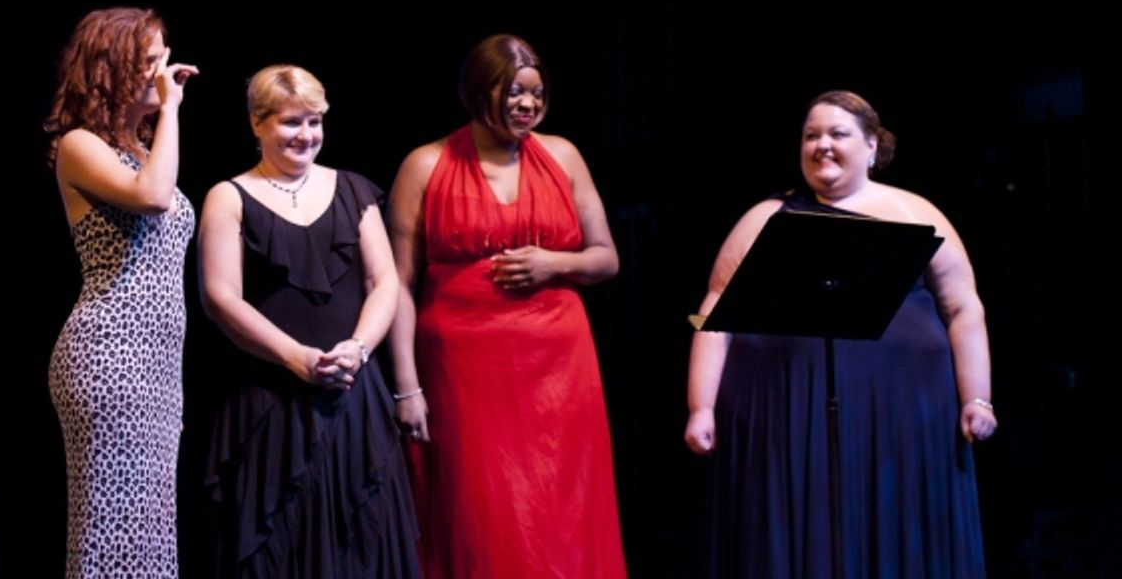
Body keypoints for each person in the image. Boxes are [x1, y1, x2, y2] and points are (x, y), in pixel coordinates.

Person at [684, 89, 997, 578]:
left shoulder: (917, 213)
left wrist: (978, 399)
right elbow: (714, 315)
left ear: (872, 146)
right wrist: (700, 406)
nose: (821, 145)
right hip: (790, 417)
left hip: (902, 423)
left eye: (838, 134)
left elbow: (963, 309)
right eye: (811, 135)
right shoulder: (767, 217)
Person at [388, 34, 627, 578]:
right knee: (480, 509)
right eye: (515, 92)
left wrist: (554, 264)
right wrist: (407, 386)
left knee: (560, 505)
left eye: (537, 94)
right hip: (464, 372)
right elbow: (397, 285)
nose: (528, 104)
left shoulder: (563, 155)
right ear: (479, 91)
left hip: (559, 372)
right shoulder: (425, 165)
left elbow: (607, 258)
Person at [197, 64, 420, 577]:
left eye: (315, 122)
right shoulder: (228, 197)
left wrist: (359, 349)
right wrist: (296, 357)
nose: (306, 135)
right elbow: (220, 296)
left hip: (352, 396)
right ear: (257, 124)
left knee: (361, 545)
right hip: (269, 401)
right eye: (291, 122)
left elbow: (383, 283)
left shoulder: (354, 190)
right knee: (278, 546)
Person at [44, 7, 199, 577]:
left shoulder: (140, 148)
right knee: (111, 531)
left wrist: (159, 124)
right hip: (109, 358)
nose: (164, 71)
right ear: (112, 70)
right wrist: (174, 110)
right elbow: (156, 197)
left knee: (150, 536)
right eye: (150, 60)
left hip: (156, 371)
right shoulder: (79, 145)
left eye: (164, 56)